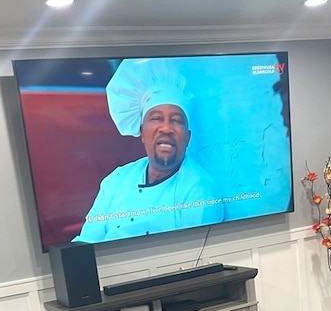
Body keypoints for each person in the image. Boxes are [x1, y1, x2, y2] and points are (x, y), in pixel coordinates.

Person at [75, 59, 224, 242]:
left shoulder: (199, 190)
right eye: (156, 118)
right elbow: (87, 242)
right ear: (142, 133)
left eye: (176, 120)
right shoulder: (116, 181)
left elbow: (193, 258)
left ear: (187, 138)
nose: (166, 128)